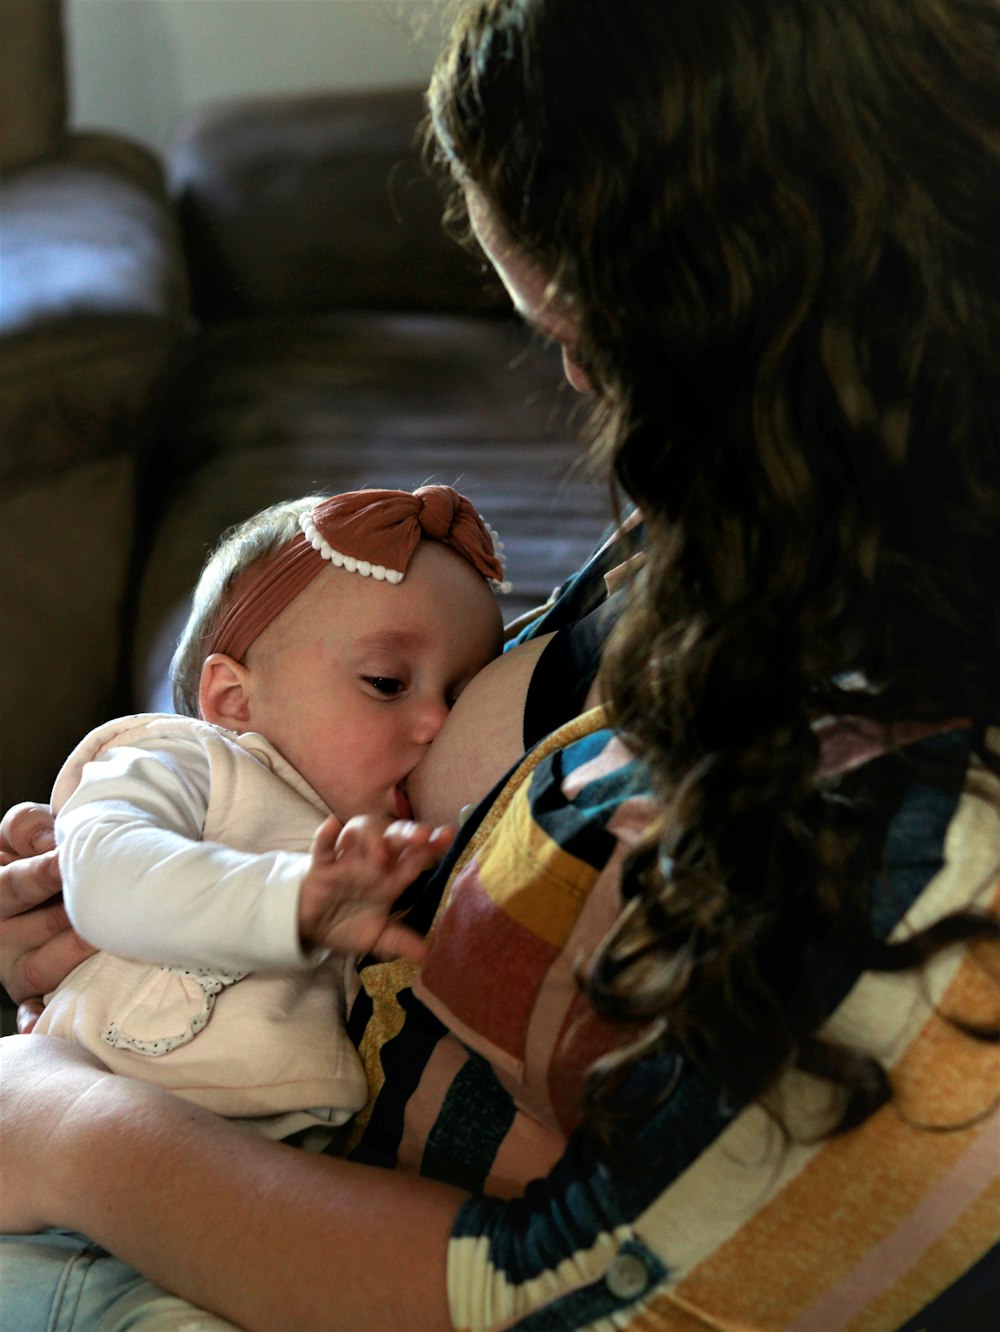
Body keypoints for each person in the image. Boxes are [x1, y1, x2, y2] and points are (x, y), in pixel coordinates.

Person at [2, 1, 999, 1330]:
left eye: (595, 345)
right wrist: (198, 928)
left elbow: (575, 1301)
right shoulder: (776, 494)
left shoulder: (941, 846)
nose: (587, 397)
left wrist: (80, 1133)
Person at [32, 484, 506, 1140]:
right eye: (387, 683)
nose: (438, 723)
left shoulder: (383, 860)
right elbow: (102, 871)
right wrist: (292, 903)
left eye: (461, 696)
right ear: (232, 699)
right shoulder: (187, 760)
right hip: (87, 1144)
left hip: (273, 1181)